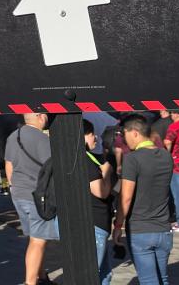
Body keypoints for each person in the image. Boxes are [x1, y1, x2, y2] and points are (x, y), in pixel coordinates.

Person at [113, 114, 174, 285]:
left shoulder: (132, 159)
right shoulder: (165, 156)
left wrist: (118, 226)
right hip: (163, 229)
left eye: (124, 135)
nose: (124, 140)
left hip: (141, 230)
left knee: (148, 281)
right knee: (163, 279)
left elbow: (126, 198)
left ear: (134, 132)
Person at [5, 112, 57, 285]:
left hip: (19, 192)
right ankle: (30, 282)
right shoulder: (43, 140)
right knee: (38, 240)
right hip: (38, 195)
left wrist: (13, 187)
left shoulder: (14, 136)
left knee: (33, 237)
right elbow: (52, 167)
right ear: (41, 117)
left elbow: (9, 165)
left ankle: (41, 276)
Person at [83, 119, 115, 285]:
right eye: (90, 134)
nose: (95, 137)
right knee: (94, 273)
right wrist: (107, 173)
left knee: (104, 273)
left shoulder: (83, 158)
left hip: (93, 222)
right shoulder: (86, 162)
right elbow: (100, 192)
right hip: (95, 222)